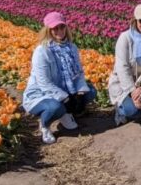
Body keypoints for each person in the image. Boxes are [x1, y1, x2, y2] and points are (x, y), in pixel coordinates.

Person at [23, 12, 97, 144]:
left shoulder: (71, 47)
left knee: (90, 92)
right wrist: (65, 98)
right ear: (48, 30)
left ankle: (66, 113)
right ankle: (45, 125)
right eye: (55, 28)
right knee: (56, 107)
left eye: (62, 27)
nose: (59, 31)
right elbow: (43, 83)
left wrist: (80, 93)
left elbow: (79, 73)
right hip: (40, 94)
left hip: (64, 89)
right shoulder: (42, 51)